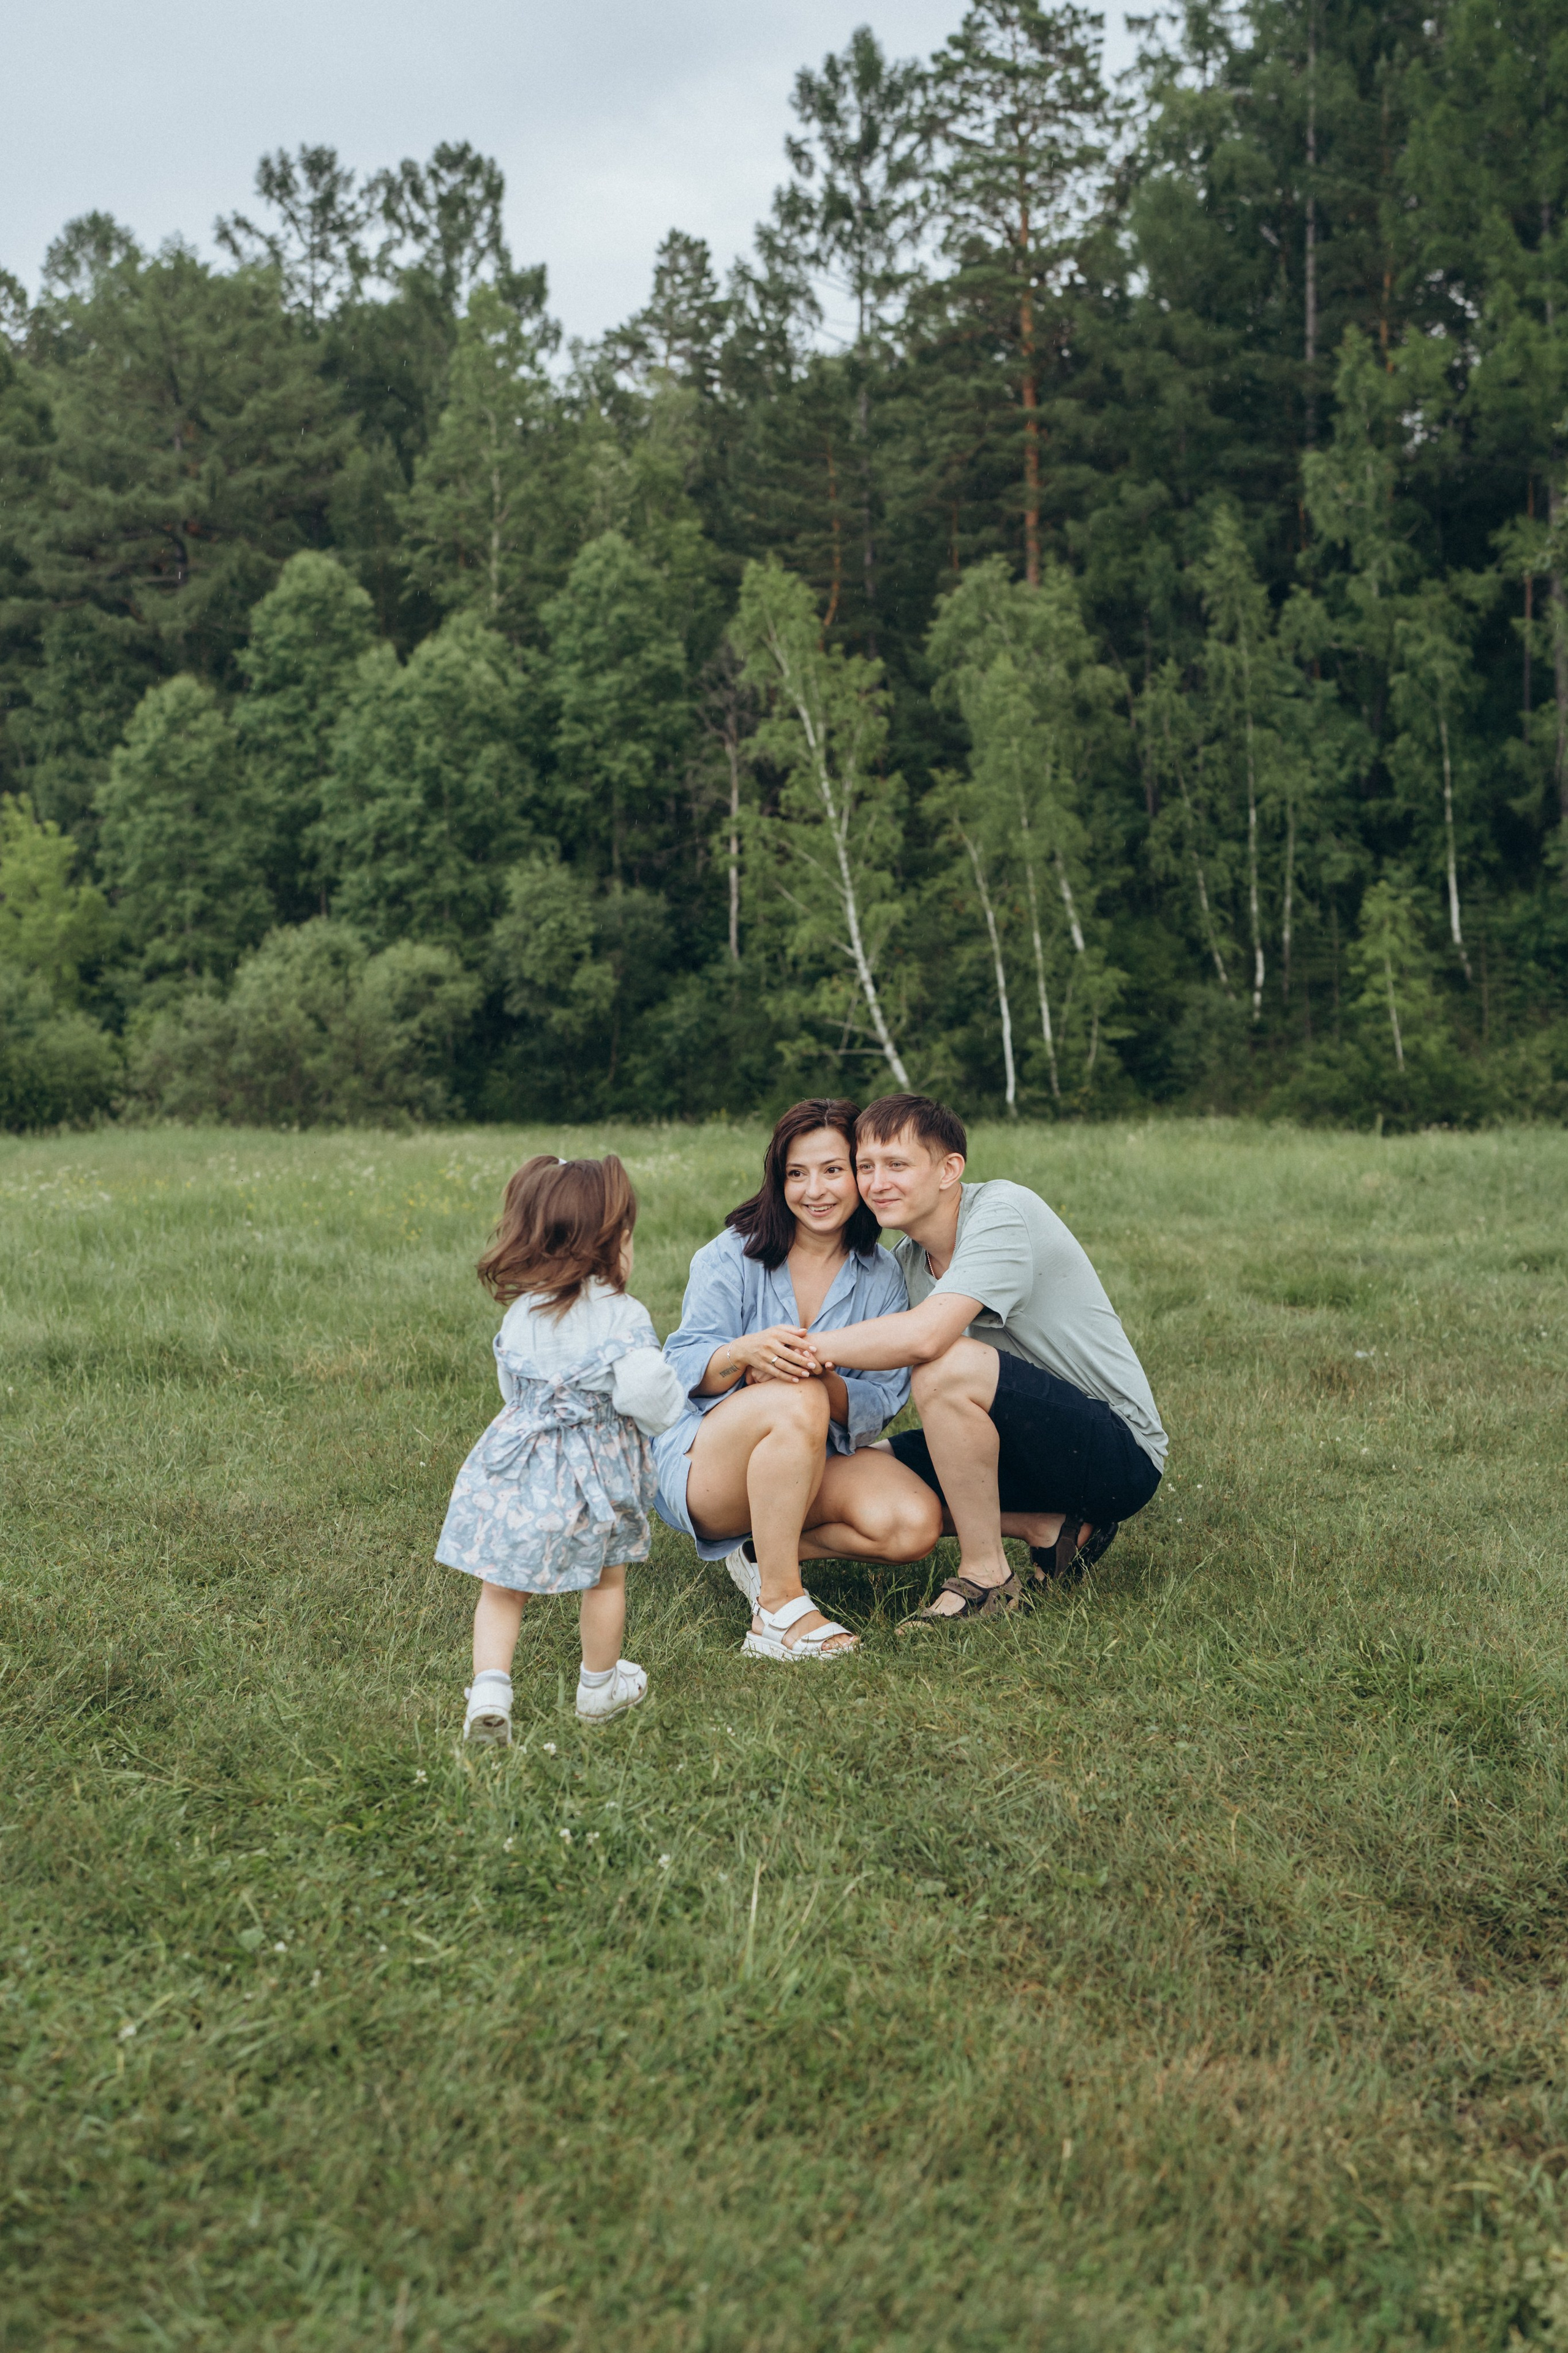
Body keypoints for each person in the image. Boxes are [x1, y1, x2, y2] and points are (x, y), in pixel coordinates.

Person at [813, 1093, 1166, 1624]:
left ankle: (986, 1579)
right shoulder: (904, 1263)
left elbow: (927, 1337)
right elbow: (866, 1375)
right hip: (1017, 1447)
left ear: (949, 1169)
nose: (876, 1182)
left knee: (944, 1364)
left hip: (1117, 1451)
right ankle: (1048, 1525)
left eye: (897, 1165)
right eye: (866, 1166)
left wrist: (800, 1346)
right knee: (849, 1474)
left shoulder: (1003, 1211)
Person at [653, 1099, 943, 1661]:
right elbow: (678, 1368)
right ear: (777, 1179)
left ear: (859, 1174)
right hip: (704, 1466)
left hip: (810, 1460)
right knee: (796, 1398)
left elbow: (880, 1401)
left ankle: (764, 1550)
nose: (816, 1190)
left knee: (912, 1525)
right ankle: (777, 1610)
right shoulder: (733, 1252)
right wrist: (742, 1353)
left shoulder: (881, 1276)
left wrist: (822, 1374)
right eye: (796, 1173)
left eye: (834, 1170)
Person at [436, 1153, 687, 1742]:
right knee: (605, 1578)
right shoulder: (621, 1316)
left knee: (501, 1584)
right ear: (609, 1242)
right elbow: (650, 1394)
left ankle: (491, 1689)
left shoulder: (523, 1312)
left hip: (520, 1467)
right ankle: (599, 1688)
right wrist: (670, 1411)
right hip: (594, 1477)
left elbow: (512, 1389)